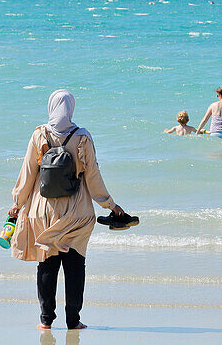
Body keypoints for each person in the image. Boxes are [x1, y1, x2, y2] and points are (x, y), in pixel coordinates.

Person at [8, 89, 137, 330]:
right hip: (77, 212)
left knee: (47, 263)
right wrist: (110, 204)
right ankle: (73, 321)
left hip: (43, 210)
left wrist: (17, 204)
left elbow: (27, 173)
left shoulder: (39, 135)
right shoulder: (83, 137)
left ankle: (46, 321)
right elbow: (93, 176)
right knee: (75, 265)